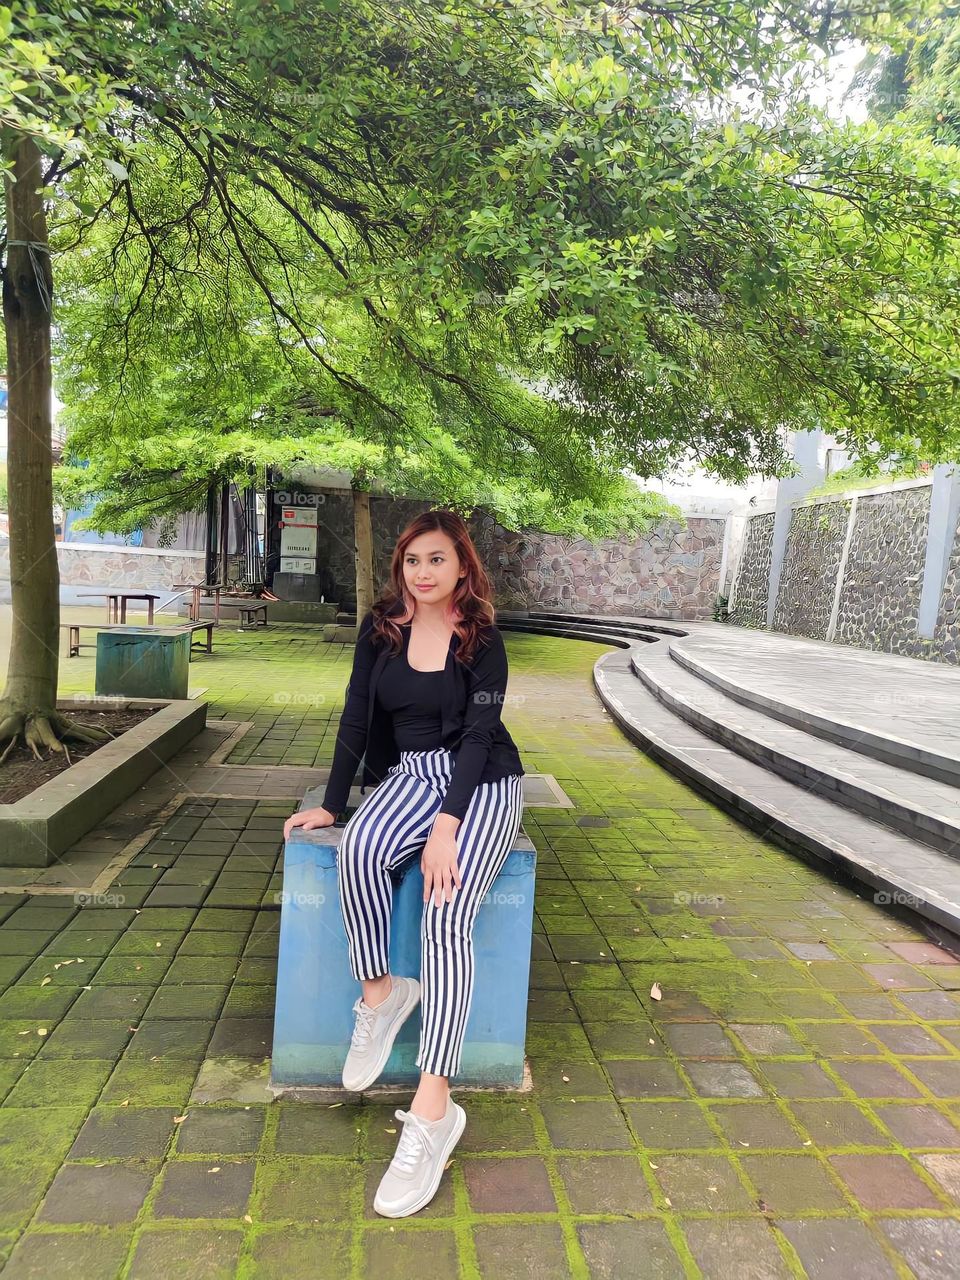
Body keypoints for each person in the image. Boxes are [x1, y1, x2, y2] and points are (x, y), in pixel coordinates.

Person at [283, 509, 525, 1218]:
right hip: (410, 777)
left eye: (437, 560)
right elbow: (358, 715)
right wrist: (333, 802)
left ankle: (432, 1111)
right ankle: (385, 996)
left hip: (481, 783)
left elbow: (481, 735)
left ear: (461, 567)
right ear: (402, 567)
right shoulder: (380, 630)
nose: (423, 573)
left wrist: (448, 829)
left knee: (444, 912)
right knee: (358, 852)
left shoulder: (483, 640)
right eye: (413, 560)